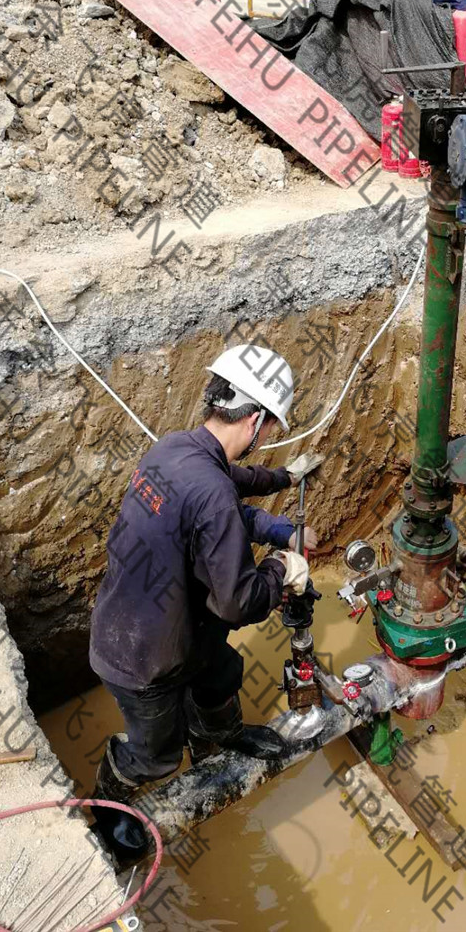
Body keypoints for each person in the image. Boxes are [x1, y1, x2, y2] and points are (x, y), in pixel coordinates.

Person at [88, 344, 321, 858]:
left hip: (158, 621)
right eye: (268, 429)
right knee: (156, 755)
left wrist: (284, 481)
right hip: (141, 658)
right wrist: (282, 567)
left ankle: (221, 738)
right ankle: (105, 807)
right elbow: (238, 603)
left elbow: (232, 485)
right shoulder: (211, 492)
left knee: (221, 674)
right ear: (255, 421)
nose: (266, 437)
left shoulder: (174, 448)